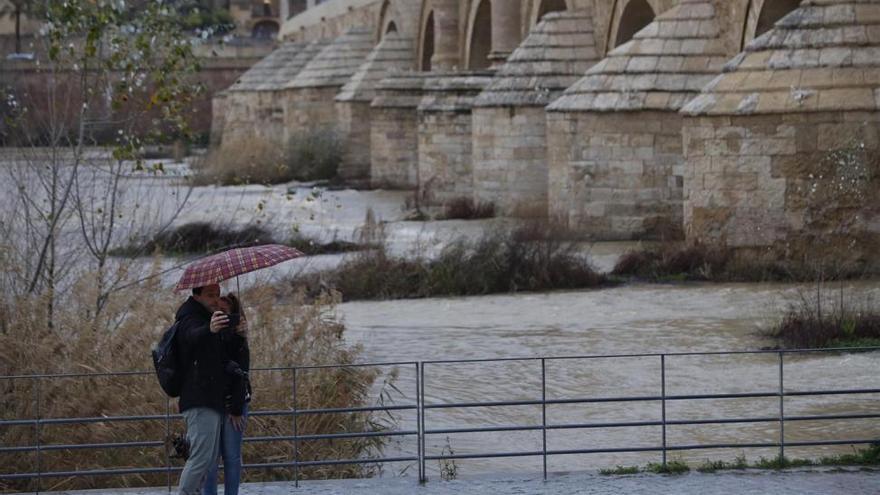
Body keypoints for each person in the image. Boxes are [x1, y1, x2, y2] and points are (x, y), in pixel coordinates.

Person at [175, 284, 231, 495]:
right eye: (210, 295)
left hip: (209, 397)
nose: (216, 299)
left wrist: (235, 332)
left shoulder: (207, 316)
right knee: (200, 458)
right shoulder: (189, 318)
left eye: (217, 294)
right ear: (196, 295)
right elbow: (192, 335)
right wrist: (210, 329)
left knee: (206, 457)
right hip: (199, 399)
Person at [203, 293, 251, 495]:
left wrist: (237, 408)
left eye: (224, 313)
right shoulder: (209, 334)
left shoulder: (239, 339)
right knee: (210, 458)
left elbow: (242, 375)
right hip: (212, 403)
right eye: (216, 312)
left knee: (231, 456)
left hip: (235, 404)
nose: (220, 316)